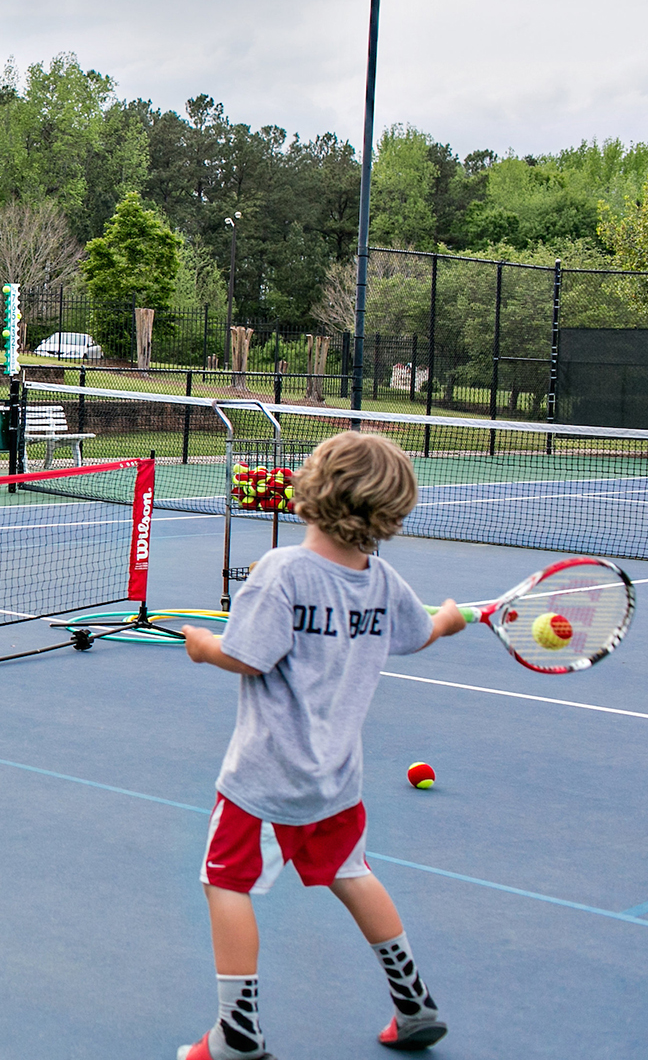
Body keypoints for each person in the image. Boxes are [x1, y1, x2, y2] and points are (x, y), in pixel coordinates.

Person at [176, 432, 467, 1060]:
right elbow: (421, 633)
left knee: (225, 884)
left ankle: (236, 1036)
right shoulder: (382, 580)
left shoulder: (280, 570)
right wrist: (448, 616)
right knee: (352, 873)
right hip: (337, 781)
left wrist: (203, 647)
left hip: (264, 781)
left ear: (311, 491)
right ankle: (414, 1006)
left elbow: (246, 658)